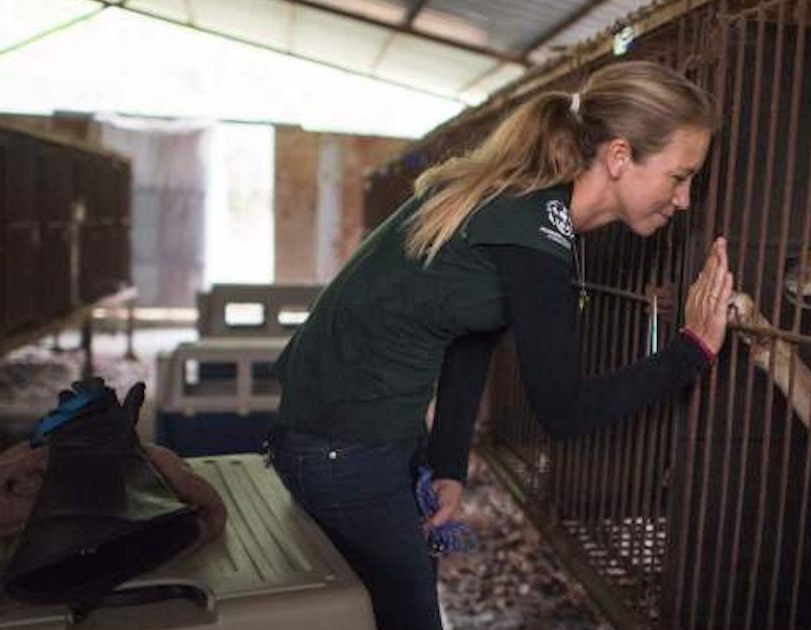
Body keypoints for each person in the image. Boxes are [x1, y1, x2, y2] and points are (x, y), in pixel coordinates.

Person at [269, 60, 733, 630]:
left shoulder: (530, 206)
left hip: (349, 436)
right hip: (343, 446)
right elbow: (563, 410)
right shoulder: (536, 226)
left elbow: (471, 340)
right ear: (619, 158)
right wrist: (691, 351)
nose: (683, 200)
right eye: (679, 176)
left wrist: (447, 462)